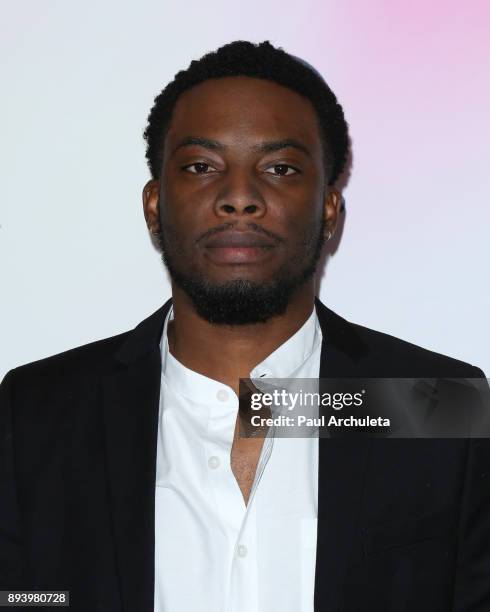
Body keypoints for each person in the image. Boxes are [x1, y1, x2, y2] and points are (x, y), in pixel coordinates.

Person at [0, 40, 488, 612]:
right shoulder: (36, 413)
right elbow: (25, 599)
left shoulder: (432, 404)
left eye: (279, 169)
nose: (239, 197)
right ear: (154, 204)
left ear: (329, 208)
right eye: (201, 167)